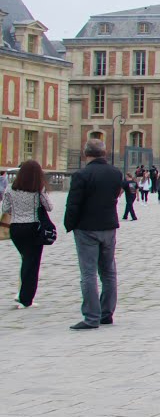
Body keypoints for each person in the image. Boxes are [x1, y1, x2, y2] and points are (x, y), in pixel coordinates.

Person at [63, 140, 123, 330]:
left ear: (86, 154)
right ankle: (107, 313)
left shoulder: (81, 175)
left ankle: (91, 317)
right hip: (109, 226)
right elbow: (118, 194)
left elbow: (73, 204)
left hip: (87, 228)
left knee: (88, 273)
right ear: (105, 153)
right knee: (109, 272)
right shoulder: (115, 173)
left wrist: (69, 224)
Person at [3, 159, 52, 309]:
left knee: (26, 259)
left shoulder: (11, 189)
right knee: (32, 264)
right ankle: (25, 298)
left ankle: (23, 294)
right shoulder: (38, 189)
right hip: (33, 227)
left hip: (16, 228)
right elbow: (49, 207)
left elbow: (5, 208)